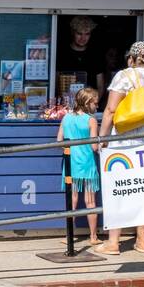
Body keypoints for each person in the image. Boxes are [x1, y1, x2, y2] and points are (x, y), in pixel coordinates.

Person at [97, 41, 144, 255]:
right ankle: (141, 241)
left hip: (125, 141)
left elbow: (111, 110)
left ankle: (113, 243)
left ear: (130, 58)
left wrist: (102, 138)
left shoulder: (124, 76)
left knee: (119, 188)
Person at [58, 86, 102, 247]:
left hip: (71, 164)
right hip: (88, 164)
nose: (96, 107)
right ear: (88, 102)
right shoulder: (91, 120)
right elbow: (94, 147)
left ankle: (68, 235)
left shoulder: (66, 118)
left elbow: (59, 141)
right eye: (95, 104)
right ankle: (93, 236)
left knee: (72, 200)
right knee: (90, 202)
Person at [55, 16, 106, 100]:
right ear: (72, 32)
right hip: (67, 105)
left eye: (87, 34)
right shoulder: (62, 53)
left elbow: (100, 86)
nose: (83, 38)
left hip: (89, 104)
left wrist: (92, 104)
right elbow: (56, 83)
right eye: (79, 33)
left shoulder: (95, 55)